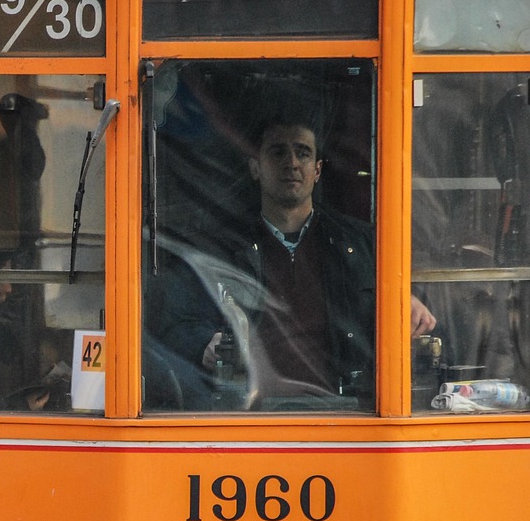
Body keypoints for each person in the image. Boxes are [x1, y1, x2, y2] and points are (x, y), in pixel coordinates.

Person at [152, 111, 436, 407]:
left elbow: (415, 307)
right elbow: (175, 320)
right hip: (248, 412)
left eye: (303, 153)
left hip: (347, 410)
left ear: (317, 170)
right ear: (255, 168)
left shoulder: (359, 243)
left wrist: (410, 301)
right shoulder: (221, 246)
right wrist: (203, 344)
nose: (292, 163)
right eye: (278, 152)